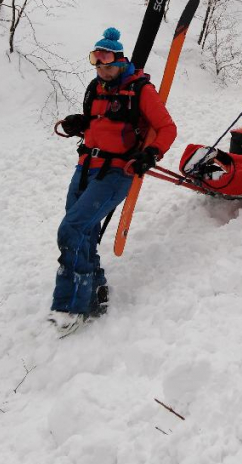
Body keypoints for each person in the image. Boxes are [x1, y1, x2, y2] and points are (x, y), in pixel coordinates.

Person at [50, 27, 177, 333]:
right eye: (97, 63)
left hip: (118, 171)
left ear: (121, 61)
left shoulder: (141, 91)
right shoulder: (95, 88)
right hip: (86, 166)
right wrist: (79, 125)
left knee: (71, 229)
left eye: (107, 64)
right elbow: (97, 124)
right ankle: (96, 291)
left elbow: (167, 128)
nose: (102, 70)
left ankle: (71, 305)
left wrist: (150, 155)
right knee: (84, 232)